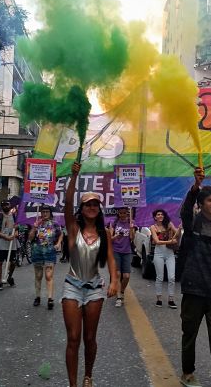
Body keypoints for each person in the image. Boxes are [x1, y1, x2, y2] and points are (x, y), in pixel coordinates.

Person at [62, 162, 118, 387]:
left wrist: (115, 281)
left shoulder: (104, 233)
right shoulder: (73, 229)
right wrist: (74, 176)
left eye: (96, 204)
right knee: (73, 338)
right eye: (88, 204)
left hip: (95, 288)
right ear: (82, 208)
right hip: (72, 287)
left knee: (90, 338)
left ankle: (88, 376)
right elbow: (66, 204)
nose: (92, 207)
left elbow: (111, 258)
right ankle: (73, 384)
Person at [177, 168, 211, 387]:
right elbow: (185, 211)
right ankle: (188, 373)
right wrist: (195, 186)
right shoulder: (193, 224)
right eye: (210, 200)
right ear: (202, 202)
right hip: (194, 290)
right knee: (189, 334)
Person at [29, 205, 63, 309]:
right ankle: (37, 297)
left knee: (49, 276)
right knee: (38, 276)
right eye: (43, 212)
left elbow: (61, 234)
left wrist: (58, 243)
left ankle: (50, 299)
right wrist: (34, 228)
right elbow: (30, 238)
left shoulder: (55, 224)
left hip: (49, 252)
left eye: (47, 212)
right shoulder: (36, 223)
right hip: (37, 252)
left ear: (50, 213)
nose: (44, 214)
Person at [150, 209, 179, 309]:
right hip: (158, 253)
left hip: (170, 253)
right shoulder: (153, 227)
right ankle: (159, 299)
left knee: (171, 277)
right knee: (160, 277)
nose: (160, 216)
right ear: (155, 217)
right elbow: (157, 241)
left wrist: (179, 229)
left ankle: (171, 300)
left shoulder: (169, 224)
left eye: (162, 214)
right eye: (158, 214)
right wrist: (170, 242)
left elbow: (177, 234)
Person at [109, 207, 136, 308]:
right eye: (120, 213)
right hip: (116, 251)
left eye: (124, 213)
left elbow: (132, 238)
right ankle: (119, 297)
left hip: (127, 251)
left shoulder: (131, 222)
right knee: (118, 274)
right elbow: (110, 239)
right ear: (118, 213)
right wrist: (116, 236)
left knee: (126, 276)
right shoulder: (114, 223)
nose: (123, 215)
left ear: (127, 213)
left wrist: (132, 228)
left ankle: (122, 291)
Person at [0, 201, 18, 290]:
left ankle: (9, 276)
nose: (6, 206)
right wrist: (5, 236)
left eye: (7, 205)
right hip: (1, 244)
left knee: (13, 262)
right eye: (3, 205)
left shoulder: (14, 216)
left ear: (10, 205)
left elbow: (17, 229)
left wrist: (14, 235)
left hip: (12, 244)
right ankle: (0, 282)